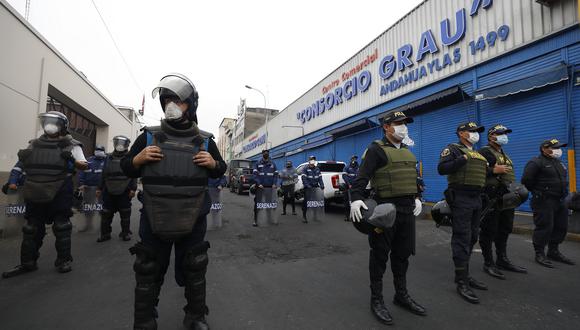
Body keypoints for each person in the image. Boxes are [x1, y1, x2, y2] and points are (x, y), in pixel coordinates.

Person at [120, 73, 226, 330]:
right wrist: (137, 159)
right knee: (148, 268)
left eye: (178, 100)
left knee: (195, 266)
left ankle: (196, 316)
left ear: (191, 104)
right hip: (155, 215)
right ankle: (144, 320)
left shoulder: (206, 140)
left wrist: (213, 163)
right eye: (167, 99)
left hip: (194, 215)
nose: (171, 105)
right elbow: (126, 168)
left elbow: (220, 169)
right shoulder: (147, 137)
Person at [350, 111, 425, 325]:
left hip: (407, 210)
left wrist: (417, 197)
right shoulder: (376, 149)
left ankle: (401, 295)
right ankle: (377, 299)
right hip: (385, 211)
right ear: (386, 127)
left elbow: (414, 179)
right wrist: (355, 199)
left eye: (405, 124)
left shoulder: (408, 152)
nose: (403, 127)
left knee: (402, 256)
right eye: (398, 123)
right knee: (380, 256)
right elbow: (361, 178)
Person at [2, 111, 88, 278]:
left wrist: (71, 159)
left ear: (62, 126)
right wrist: (13, 180)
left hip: (60, 189)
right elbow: (20, 165)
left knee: (61, 226)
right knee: (31, 228)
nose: (49, 125)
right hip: (35, 188)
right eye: (47, 121)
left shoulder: (72, 145)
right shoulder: (33, 144)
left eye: (53, 122)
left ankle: (64, 260)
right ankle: (28, 262)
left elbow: (84, 166)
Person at [438, 121, 488, 304]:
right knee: (462, 237)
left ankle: (465, 274)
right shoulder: (453, 149)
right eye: (471, 131)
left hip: (477, 198)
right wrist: (461, 160)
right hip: (461, 197)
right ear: (461, 133)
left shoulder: (477, 153)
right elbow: (442, 169)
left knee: (473, 236)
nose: (475, 133)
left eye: (476, 131)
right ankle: (461, 281)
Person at [478, 124, 527, 279]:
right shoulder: (484, 152)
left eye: (505, 133)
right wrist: (492, 170)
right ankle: (488, 263)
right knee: (489, 230)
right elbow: (475, 170)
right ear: (491, 136)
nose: (504, 135)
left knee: (505, 228)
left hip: (507, 197)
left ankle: (502, 259)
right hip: (492, 197)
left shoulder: (503, 153)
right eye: (500, 133)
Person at [522, 139, 574, 267]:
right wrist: (539, 192)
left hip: (560, 200)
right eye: (555, 147)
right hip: (544, 201)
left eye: (559, 147)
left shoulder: (559, 163)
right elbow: (527, 180)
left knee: (561, 227)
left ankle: (553, 251)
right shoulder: (536, 162)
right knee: (545, 227)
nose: (558, 150)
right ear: (544, 149)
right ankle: (539, 253)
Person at [96, 136, 137, 242]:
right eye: (118, 142)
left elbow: (134, 174)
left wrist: (133, 189)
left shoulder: (130, 158)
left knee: (125, 213)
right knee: (106, 213)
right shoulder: (108, 157)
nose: (120, 145)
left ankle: (125, 233)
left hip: (125, 189)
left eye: (122, 143)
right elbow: (103, 173)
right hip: (108, 189)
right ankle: (105, 234)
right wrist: (99, 188)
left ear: (127, 145)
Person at [77, 145, 106, 232]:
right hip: (88, 188)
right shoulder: (88, 160)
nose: (98, 151)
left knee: (102, 207)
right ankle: (88, 225)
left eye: (100, 150)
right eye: (97, 150)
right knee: (88, 207)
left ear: (104, 151)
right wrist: (81, 184)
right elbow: (82, 172)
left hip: (102, 188)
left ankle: (103, 226)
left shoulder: (107, 161)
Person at [252, 149, 278, 227]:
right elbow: (255, 175)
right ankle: (255, 220)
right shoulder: (258, 163)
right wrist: (258, 183)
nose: (266, 154)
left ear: (269, 154)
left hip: (270, 188)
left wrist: (274, 183)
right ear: (262, 154)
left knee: (268, 204)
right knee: (258, 204)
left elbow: (276, 175)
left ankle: (269, 219)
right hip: (260, 187)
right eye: (264, 153)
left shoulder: (273, 163)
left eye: (267, 152)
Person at [301, 156, 324, 223]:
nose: (312, 161)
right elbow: (304, 178)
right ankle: (304, 217)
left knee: (315, 202)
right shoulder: (305, 168)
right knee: (306, 202)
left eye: (313, 159)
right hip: (308, 187)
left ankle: (315, 216)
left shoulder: (317, 169)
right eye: (311, 159)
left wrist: (322, 185)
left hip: (315, 187)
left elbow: (320, 178)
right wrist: (307, 185)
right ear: (309, 161)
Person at [342, 155, 359, 221]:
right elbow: (344, 176)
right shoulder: (347, 167)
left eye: (355, 159)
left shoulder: (359, 168)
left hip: (356, 186)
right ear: (351, 159)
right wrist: (349, 184)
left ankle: (354, 216)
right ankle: (347, 216)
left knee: (355, 201)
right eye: (353, 159)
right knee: (347, 202)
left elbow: (360, 176)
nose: (354, 160)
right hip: (348, 186)